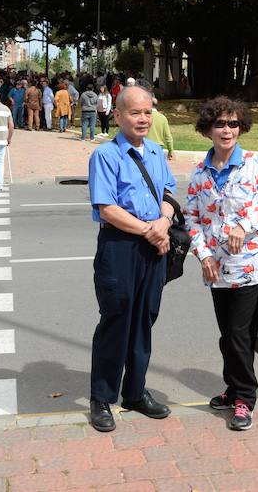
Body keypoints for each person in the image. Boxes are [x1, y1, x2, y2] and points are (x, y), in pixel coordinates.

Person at [186, 96, 258, 431]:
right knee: (226, 334)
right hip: (215, 267)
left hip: (250, 265)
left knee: (239, 333)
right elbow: (193, 220)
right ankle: (232, 388)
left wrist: (248, 224)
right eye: (220, 123)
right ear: (208, 129)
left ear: (241, 126)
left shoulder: (256, 165)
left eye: (233, 123)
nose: (227, 130)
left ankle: (245, 398)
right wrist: (202, 255)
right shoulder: (199, 174)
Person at [86, 86, 177, 433]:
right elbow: (106, 208)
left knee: (144, 318)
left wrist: (164, 222)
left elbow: (168, 194)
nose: (142, 118)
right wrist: (147, 229)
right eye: (135, 113)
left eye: (147, 113)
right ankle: (102, 397)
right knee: (117, 319)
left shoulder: (155, 151)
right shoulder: (106, 155)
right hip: (120, 246)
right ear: (118, 115)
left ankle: (135, 392)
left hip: (154, 244)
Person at [147, 94, 175, 160]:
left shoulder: (144, 117)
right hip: (158, 148)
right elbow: (168, 137)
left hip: (145, 146)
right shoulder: (162, 118)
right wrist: (170, 150)